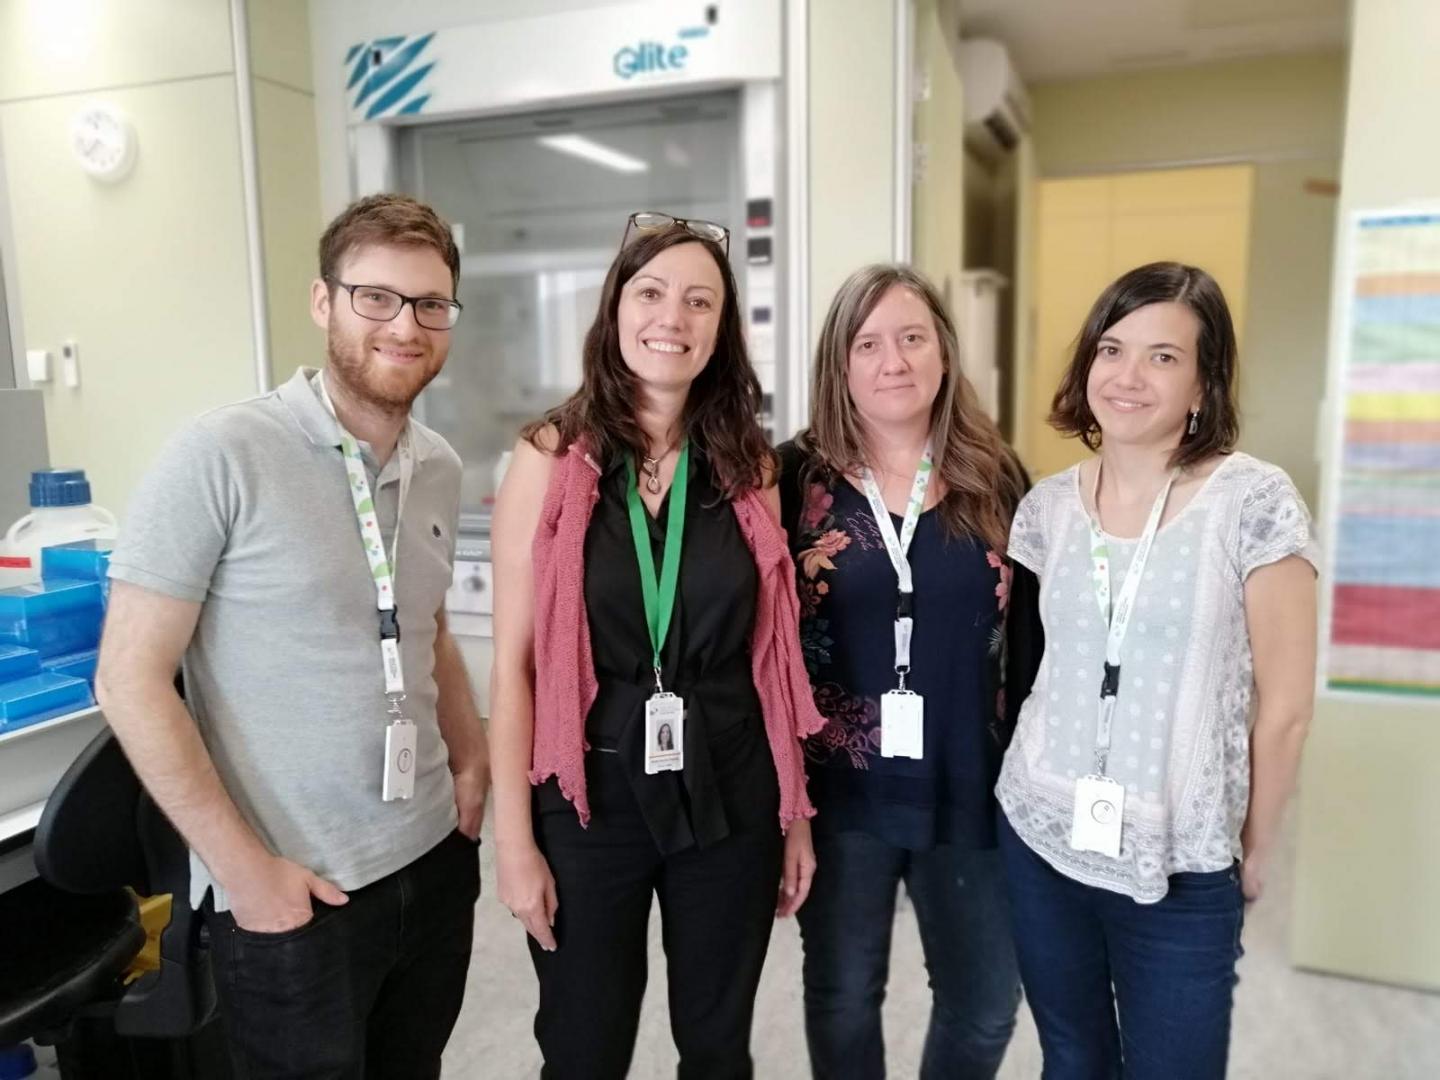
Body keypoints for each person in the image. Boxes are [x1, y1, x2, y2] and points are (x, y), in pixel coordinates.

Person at [96, 194, 489, 1079]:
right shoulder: (221, 453)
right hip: (298, 891)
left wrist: (472, 760)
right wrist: (244, 874)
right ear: (324, 303)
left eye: (431, 304)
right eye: (376, 298)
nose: (405, 325)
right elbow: (129, 679)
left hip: (431, 862)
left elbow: (422, 628)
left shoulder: (439, 466)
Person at [488, 211, 825, 1079]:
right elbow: (516, 670)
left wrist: (791, 815)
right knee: (582, 1043)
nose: (671, 318)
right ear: (615, 309)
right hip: (591, 794)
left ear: (721, 331)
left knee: (717, 1042)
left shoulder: (749, 468)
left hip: (731, 785)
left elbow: (773, 661)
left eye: (699, 301)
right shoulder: (548, 459)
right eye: (651, 293)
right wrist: (516, 844)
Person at [996, 262, 1319, 1079]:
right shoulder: (1047, 508)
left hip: (1181, 856)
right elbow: (1046, 667)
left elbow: (1284, 706)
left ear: (1204, 384)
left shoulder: (1252, 501)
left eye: (1163, 357)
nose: (1128, 376)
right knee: (1071, 1057)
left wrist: (1255, 846)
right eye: (1112, 349)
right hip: (1040, 831)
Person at [777, 265, 1038, 1079]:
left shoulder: (1000, 477)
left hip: (972, 782)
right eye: (869, 342)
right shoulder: (790, 480)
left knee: (987, 1004)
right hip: (839, 792)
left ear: (944, 353)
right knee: (844, 992)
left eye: (913, 337)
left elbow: (1031, 643)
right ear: (840, 364)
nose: (894, 360)